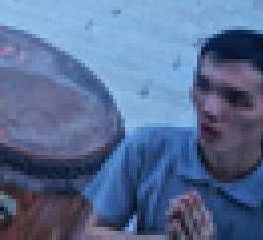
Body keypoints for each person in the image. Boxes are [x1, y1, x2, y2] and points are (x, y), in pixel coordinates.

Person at [82, 29, 263, 239]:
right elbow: (82, 231)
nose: (209, 109)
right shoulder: (149, 149)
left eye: (235, 98)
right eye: (203, 86)